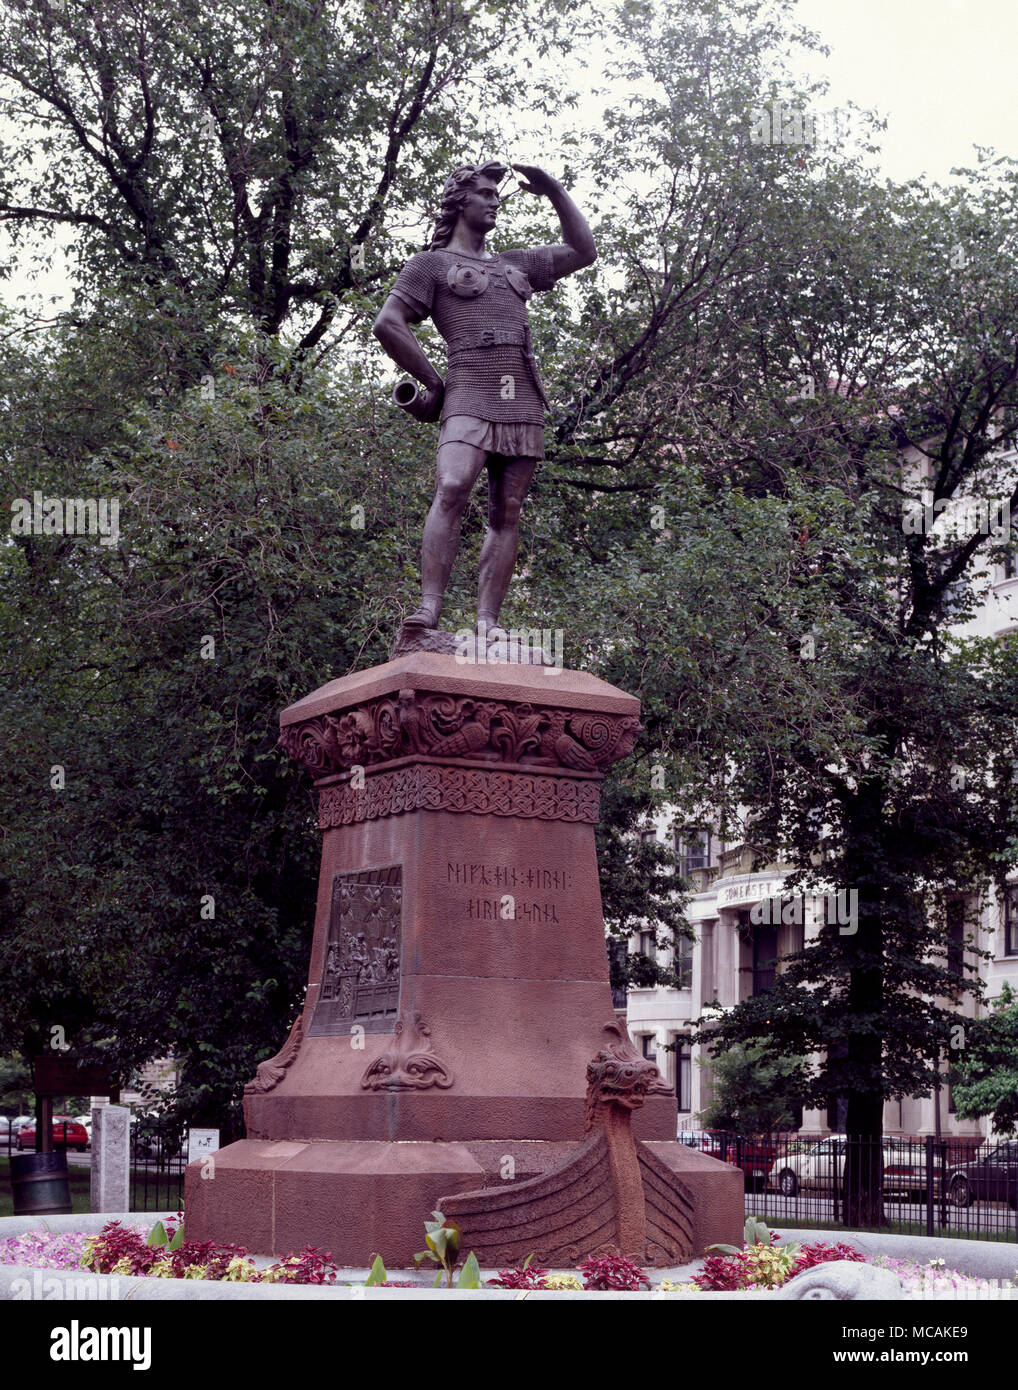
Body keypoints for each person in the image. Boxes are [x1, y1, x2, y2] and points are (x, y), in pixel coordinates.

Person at [372, 160, 596, 638]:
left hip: (522, 399)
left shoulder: (515, 264)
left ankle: (488, 623)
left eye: (499, 194)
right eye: (486, 193)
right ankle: (429, 609)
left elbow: (583, 249)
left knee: (506, 510)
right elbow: (388, 323)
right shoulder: (430, 265)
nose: (496, 201)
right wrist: (434, 382)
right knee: (452, 487)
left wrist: (554, 188)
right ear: (459, 202)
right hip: (469, 387)